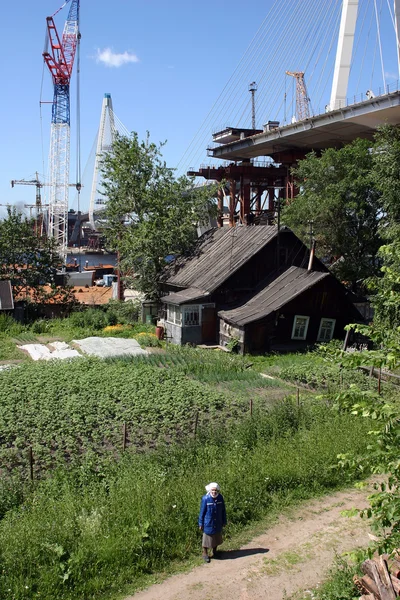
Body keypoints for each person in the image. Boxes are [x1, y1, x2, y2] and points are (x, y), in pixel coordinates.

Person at [198, 482, 227, 563]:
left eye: (215, 490)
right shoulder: (205, 498)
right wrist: (200, 523)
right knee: (206, 538)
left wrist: (224, 520)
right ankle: (205, 553)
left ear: (218, 491)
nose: (214, 492)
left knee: (217, 537)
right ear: (210, 490)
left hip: (218, 521)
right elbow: (202, 512)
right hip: (208, 522)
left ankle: (215, 552)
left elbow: (223, 510)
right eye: (212, 490)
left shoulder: (220, 498)